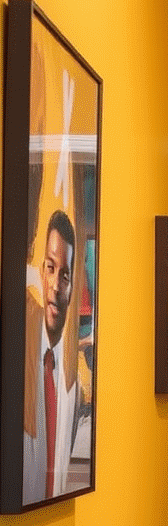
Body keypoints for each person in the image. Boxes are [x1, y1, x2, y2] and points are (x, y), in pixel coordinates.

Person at [22, 210, 78, 504]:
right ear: (41, 273)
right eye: (50, 268)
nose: (56, 285)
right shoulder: (20, 366)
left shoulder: (72, 388)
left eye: (65, 275)